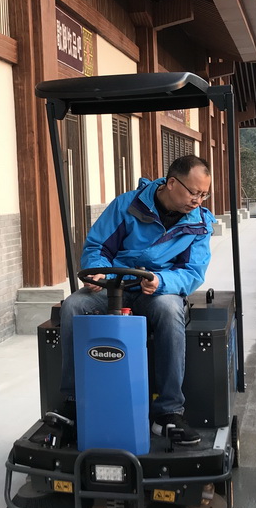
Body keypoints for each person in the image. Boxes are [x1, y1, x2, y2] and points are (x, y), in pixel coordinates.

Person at [56, 155, 215, 446]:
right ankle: (73, 403)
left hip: (158, 291)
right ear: (171, 183)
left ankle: (168, 411)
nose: (198, 201)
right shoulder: (127, 205)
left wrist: (161, 281)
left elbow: (192, 272)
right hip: (114, 285)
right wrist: (98, 272)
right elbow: (97, 247)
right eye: (194, 192)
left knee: (170, 310)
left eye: (204, 194)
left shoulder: (200, 223)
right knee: (74, 306)